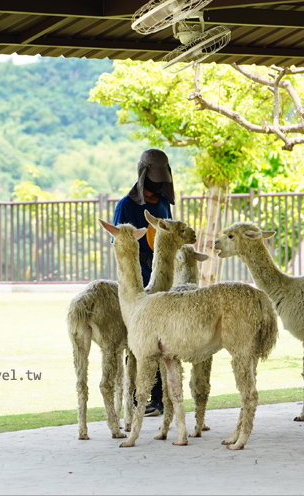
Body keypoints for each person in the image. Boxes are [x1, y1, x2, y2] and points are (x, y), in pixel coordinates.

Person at [113, 148, 175, 417]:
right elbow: (121, 247)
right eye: (153, 182)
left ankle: (161, 399)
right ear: (143, 177)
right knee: (138, 343)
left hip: (162, 286)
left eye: (160, 182)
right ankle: (138, 399)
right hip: (138, 287)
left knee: (164, 342)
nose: (156, 187)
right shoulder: (125, 207)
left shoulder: (163, 203)